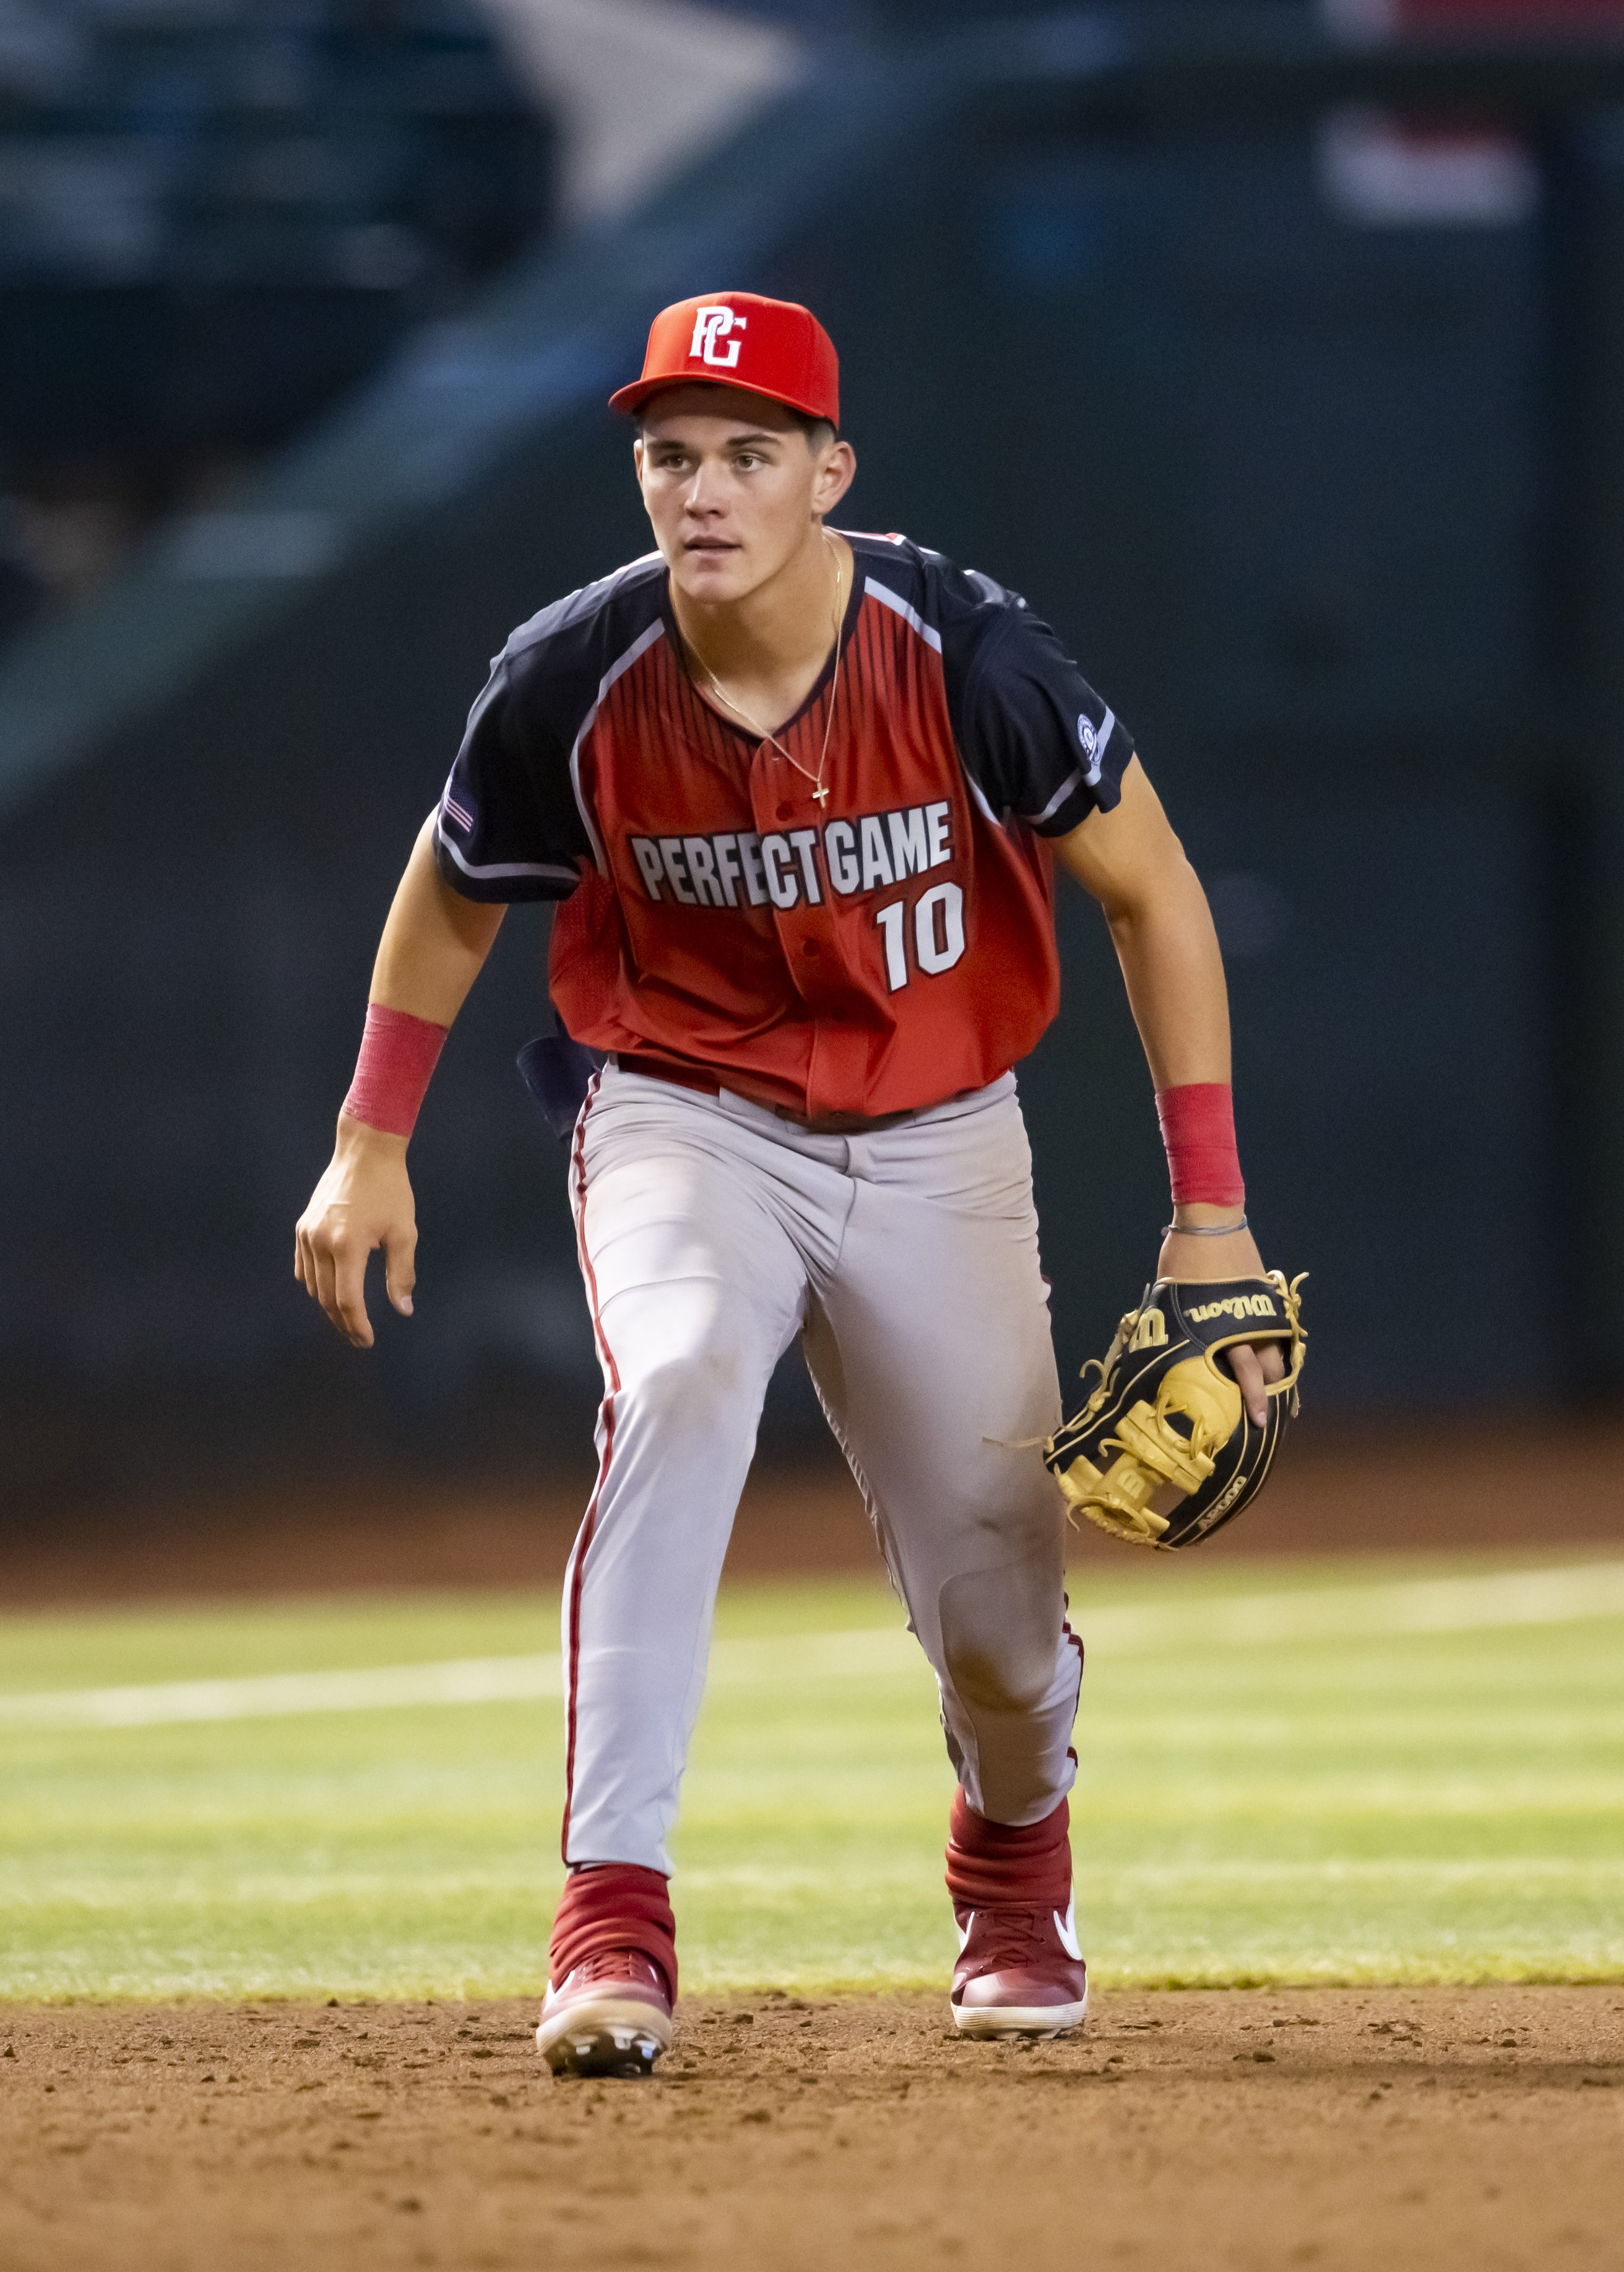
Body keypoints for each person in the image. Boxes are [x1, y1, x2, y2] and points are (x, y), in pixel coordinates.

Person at [295, 290, 1283, 2079]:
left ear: (831, 472)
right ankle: (612, 1909)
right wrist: (372, 1138)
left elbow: (1157, 889)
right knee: (672, 1384)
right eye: (672, 455)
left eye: (752, 453)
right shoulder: (573, 675)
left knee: (997, 1603)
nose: (706, 490)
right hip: (687, 1116)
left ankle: (1012, 1854)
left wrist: (1209, 1208)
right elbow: (453, 887)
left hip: (939, 1134)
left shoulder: (964, 652)